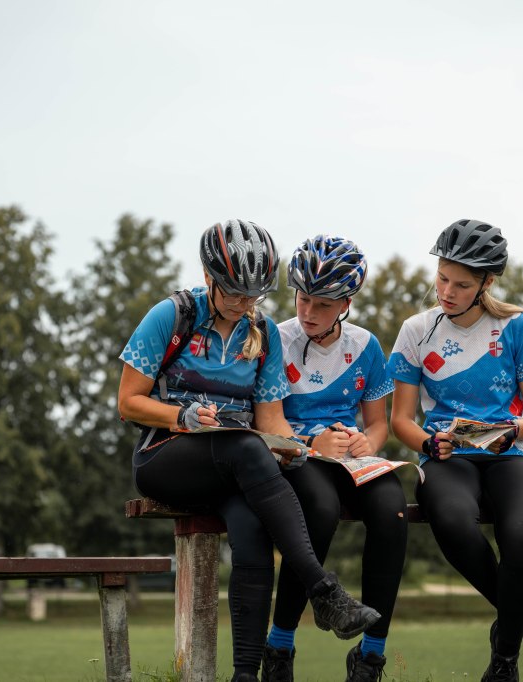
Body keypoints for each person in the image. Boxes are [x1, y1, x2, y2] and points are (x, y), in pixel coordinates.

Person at [117, 220, 380, 682]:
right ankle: (322, 589)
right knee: (244, 446)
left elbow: (270, 420)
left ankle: (245, 675)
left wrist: (296, 448)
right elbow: (127, 403)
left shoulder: (263, 332)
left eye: (254, 296)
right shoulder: (171, 316)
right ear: (208, 276)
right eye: (235, 294)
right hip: (166, 457)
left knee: (253, 534)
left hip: (234, 466)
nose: (244, 305)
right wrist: (181, 416)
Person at [387, 219, 523, 682]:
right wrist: (428, 442)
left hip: (510, 454)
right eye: (442, 278)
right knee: (450, 520)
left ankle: (504, 660)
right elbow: (400, 420)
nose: (447, 291)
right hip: (447, 458)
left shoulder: (516, 326)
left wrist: (513, 429)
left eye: (461, 284)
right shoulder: (415, 331)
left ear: (486, 283)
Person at [261, 236, 406, 682]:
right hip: (295, 454)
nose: (308, 312)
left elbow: (378, 425)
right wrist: (312, 442)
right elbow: (265, 421)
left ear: (346, 304)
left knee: (393, 511)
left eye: (322, 305)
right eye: (302, 299)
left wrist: (367, 443)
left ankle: (371, 656)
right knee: (320, 511)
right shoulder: (273, 338)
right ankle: (279, 648)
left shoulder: (366, 346)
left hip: (348, 458)